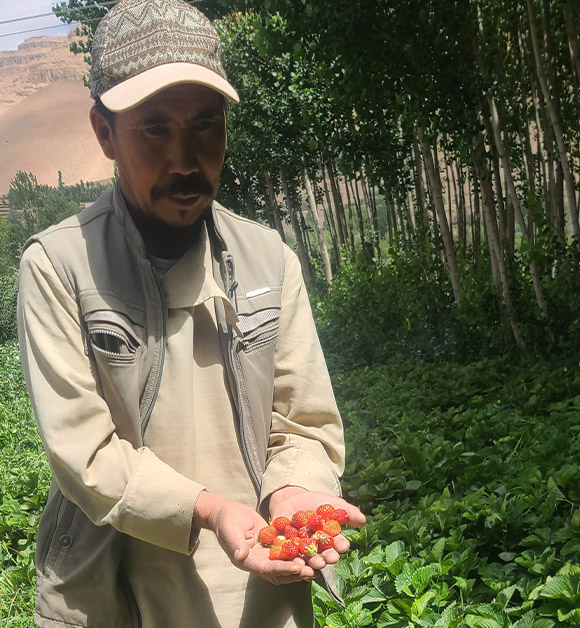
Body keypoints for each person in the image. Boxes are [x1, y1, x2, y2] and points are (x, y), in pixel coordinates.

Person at [16, 0, 364, 625]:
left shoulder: (267, 259)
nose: (185, 160)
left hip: (258, 585)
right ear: (104, 133)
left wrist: (292, 490)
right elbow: (85, 455)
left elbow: (305, 422)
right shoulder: (58, 265)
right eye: (154, 128)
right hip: (110, 593)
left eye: (205, 125)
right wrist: (210, 510)